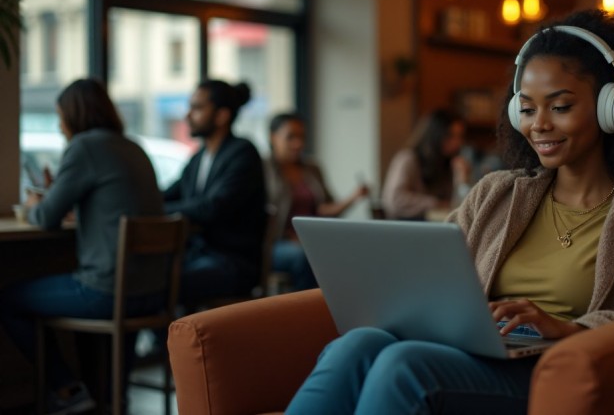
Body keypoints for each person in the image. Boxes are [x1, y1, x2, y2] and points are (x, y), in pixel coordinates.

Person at [285, 9, 614, 414]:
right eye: (526, 109)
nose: (539, 124)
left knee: (403, 364)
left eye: (561, 106)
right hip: (475, 350)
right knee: (358, 343)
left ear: (613, 109)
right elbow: (435, 275)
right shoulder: (497, 193)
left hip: (554, 369)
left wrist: (571, 329)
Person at [0, 78, 164, 414]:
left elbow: (46, 218)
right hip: (153, 290)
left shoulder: (85, 147)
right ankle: (111, 396)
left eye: (61, 117)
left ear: (74, 116)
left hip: (108, 291)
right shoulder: (133, 147)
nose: (60, 127)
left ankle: (67, 389)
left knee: (7, 300)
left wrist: (34, 202)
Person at [163, 79, 266, 306]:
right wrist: (135, 201)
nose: (188, 115)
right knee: (143, 278)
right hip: (199, 256)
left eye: (197, 108)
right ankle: (171, 341)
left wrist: (155, 209)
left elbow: (212, 207)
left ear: (222, 116)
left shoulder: (243, 153)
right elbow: (170, 193)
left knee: (161, 284)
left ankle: (171, 342)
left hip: (233, 262)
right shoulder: (199, 157)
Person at [265, 113, 370, 291]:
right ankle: (309, 312)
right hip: (276, 243)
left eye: (302, 137)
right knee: (305, 257)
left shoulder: (312, 169)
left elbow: (324, 209)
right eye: (291, 137)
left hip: (312, 240)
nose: (298, 143)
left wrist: (353, 197)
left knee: (358, 249)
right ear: (273, 137)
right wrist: (290, 237)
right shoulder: (263, 169)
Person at [381, 109, 471, 220]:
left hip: (437, 227)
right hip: (406, 228)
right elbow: (394, 200)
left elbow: (459, 209)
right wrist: (436, 204)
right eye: (450, 136)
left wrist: (462, 181)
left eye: (460, 136)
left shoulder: (449, 164)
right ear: (435, 135)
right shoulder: (408, 159)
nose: (457, 142)